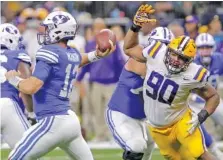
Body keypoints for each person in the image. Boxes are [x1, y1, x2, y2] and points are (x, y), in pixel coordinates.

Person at [5, 11, 115, 160]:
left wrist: (14, 80)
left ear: (58, 30)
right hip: (70, 121)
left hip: (52, 121)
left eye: (49, 28)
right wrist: (96, 55)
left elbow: (32, 87)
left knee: (15, 157)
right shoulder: (70, 52)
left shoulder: (48, 52)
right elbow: (79, 59)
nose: (45, 31)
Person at [123, 4, 220, 160]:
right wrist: (135, 27)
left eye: (182, 58)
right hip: (156, 126)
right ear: (168, 50)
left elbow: (213, 96)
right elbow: (128, 48)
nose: (176, 60)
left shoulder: (193, 74)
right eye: (174, 54)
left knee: (200, 154)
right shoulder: (156, 53)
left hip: (181, 121)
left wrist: (202, 115)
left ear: (189, 62)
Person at [106, 26, 174, 160]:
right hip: (120, 113)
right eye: (158, 43)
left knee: (149, 145)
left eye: (165, 45)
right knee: (136, 146)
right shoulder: (140, 59)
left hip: (143, 119)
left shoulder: (169, 66)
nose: (161, 48)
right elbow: (154, 75)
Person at [76, 18, 125, 142]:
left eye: (101, 27)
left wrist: (122, 79)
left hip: (112, 82)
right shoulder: (90, 44)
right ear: (93, 30)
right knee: (97, 111)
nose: (99, 30)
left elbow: (119, 62)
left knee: (111, 112)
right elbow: (87, 64)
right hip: (96, 82)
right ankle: (100, 135)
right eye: (96, 28)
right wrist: (79, 78)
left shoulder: (113, 44)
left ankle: (112, 135)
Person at [0, 23, 32, 148]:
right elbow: (27, 87)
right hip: (6, 104)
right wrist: (31, 113)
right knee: (27, 153)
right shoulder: (18, 54)